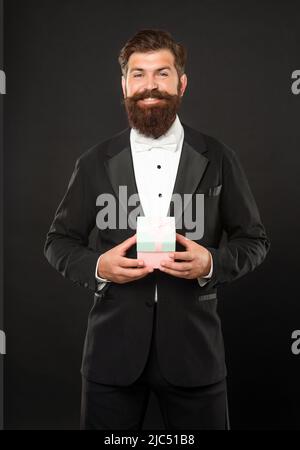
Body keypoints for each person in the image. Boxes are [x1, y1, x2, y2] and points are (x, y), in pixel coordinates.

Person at [44, 29, 270, 430]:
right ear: (124, 85)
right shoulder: (94, 161)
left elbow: (255, 241)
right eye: (138, 74)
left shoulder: (219, 157)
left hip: (195, 355)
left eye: (162, 74)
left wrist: (212, 263)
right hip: (111, 356)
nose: (150, 85)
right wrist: (98, 266)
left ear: (182, 83)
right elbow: (58, 242)